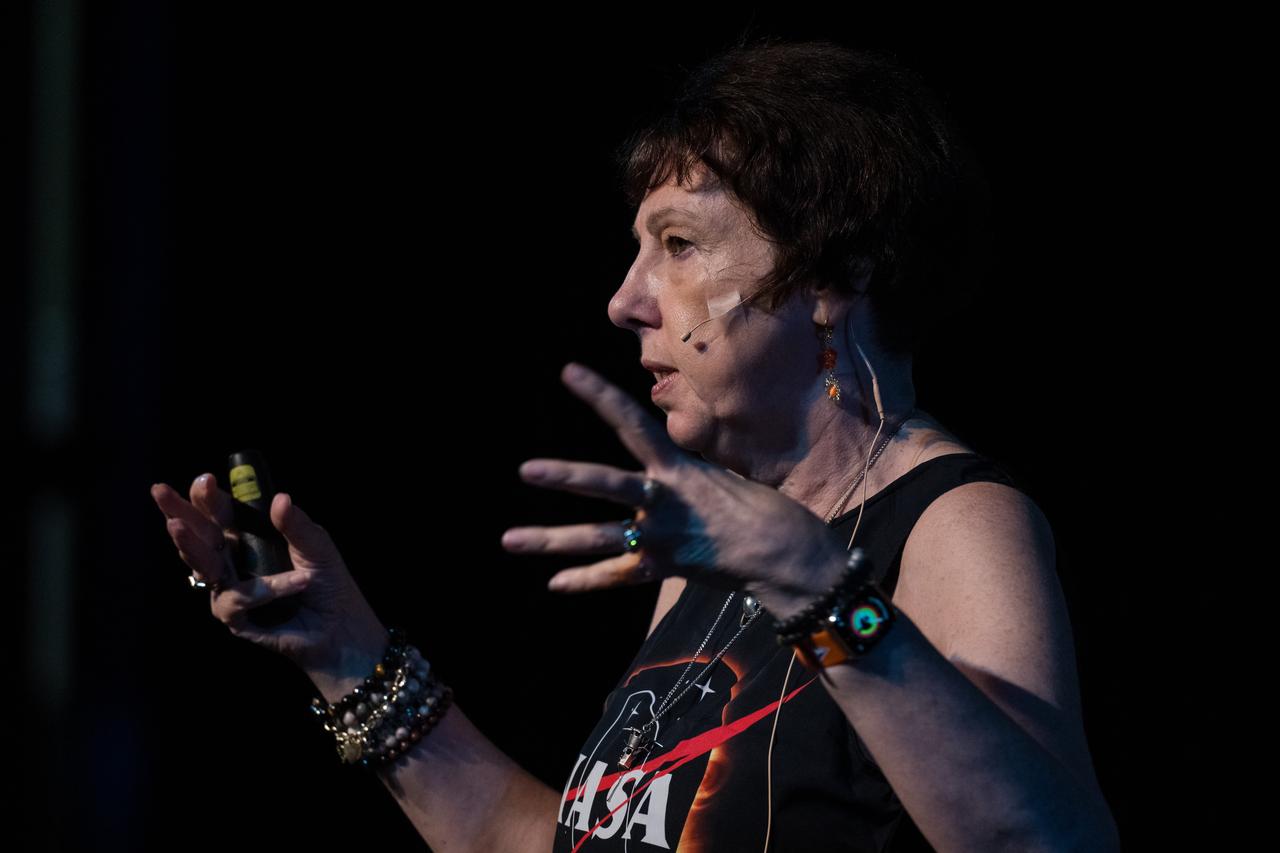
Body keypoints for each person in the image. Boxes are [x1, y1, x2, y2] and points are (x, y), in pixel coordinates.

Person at [150, 39, 1119, 852]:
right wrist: (344, 649)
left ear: (835, 271)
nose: (624, 300)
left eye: (679, 245)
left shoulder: (952, 522)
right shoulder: (710, 551)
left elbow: (1044, 839)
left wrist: (823, 591)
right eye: (637, 249)